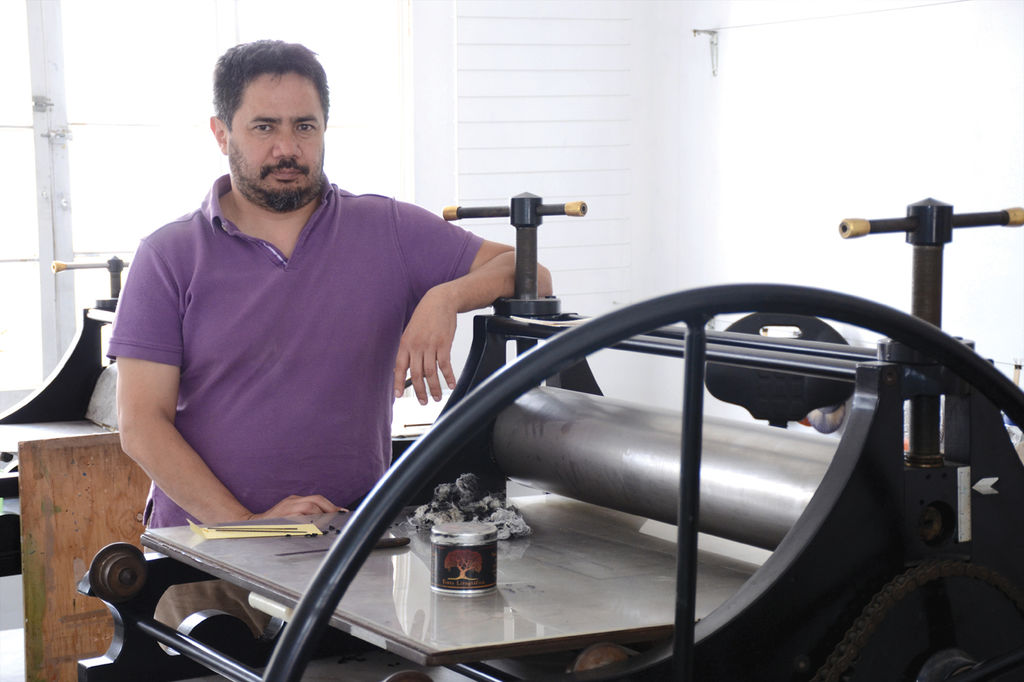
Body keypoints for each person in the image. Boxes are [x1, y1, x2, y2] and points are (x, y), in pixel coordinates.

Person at [109, 39, 551, 533]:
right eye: (264, 127)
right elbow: (141, 425)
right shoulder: (168, 255)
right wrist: (247, 526)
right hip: (203, 545)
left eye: (304, 126)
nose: (287, 149)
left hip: (349, 542)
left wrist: (444, 298)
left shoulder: (387, 229)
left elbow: (529, 271)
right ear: (221, 133)